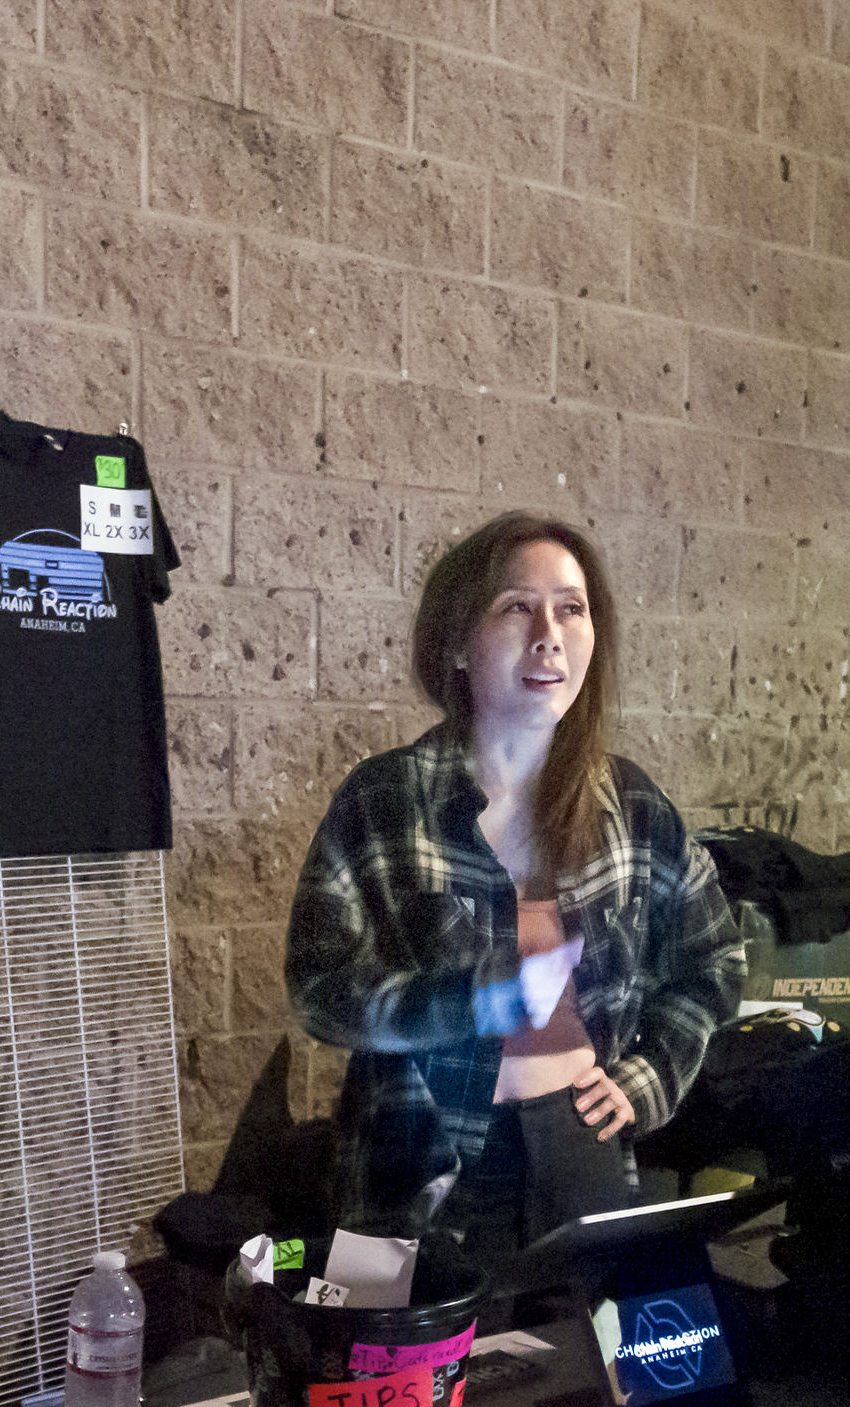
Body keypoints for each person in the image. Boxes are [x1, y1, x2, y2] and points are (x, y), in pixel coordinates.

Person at [284, 512, 738, 1281]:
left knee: (587, 1389)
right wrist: (467, 1003)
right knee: (395, 1391)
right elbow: (319, 991)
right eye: (516, 606)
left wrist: (649, 1077)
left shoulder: (631, 806)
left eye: (571, 607)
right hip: (411, 1163)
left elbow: (716, 960)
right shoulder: (384, 799)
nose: (549, 634)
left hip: (582, 1150)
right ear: (457, 642)